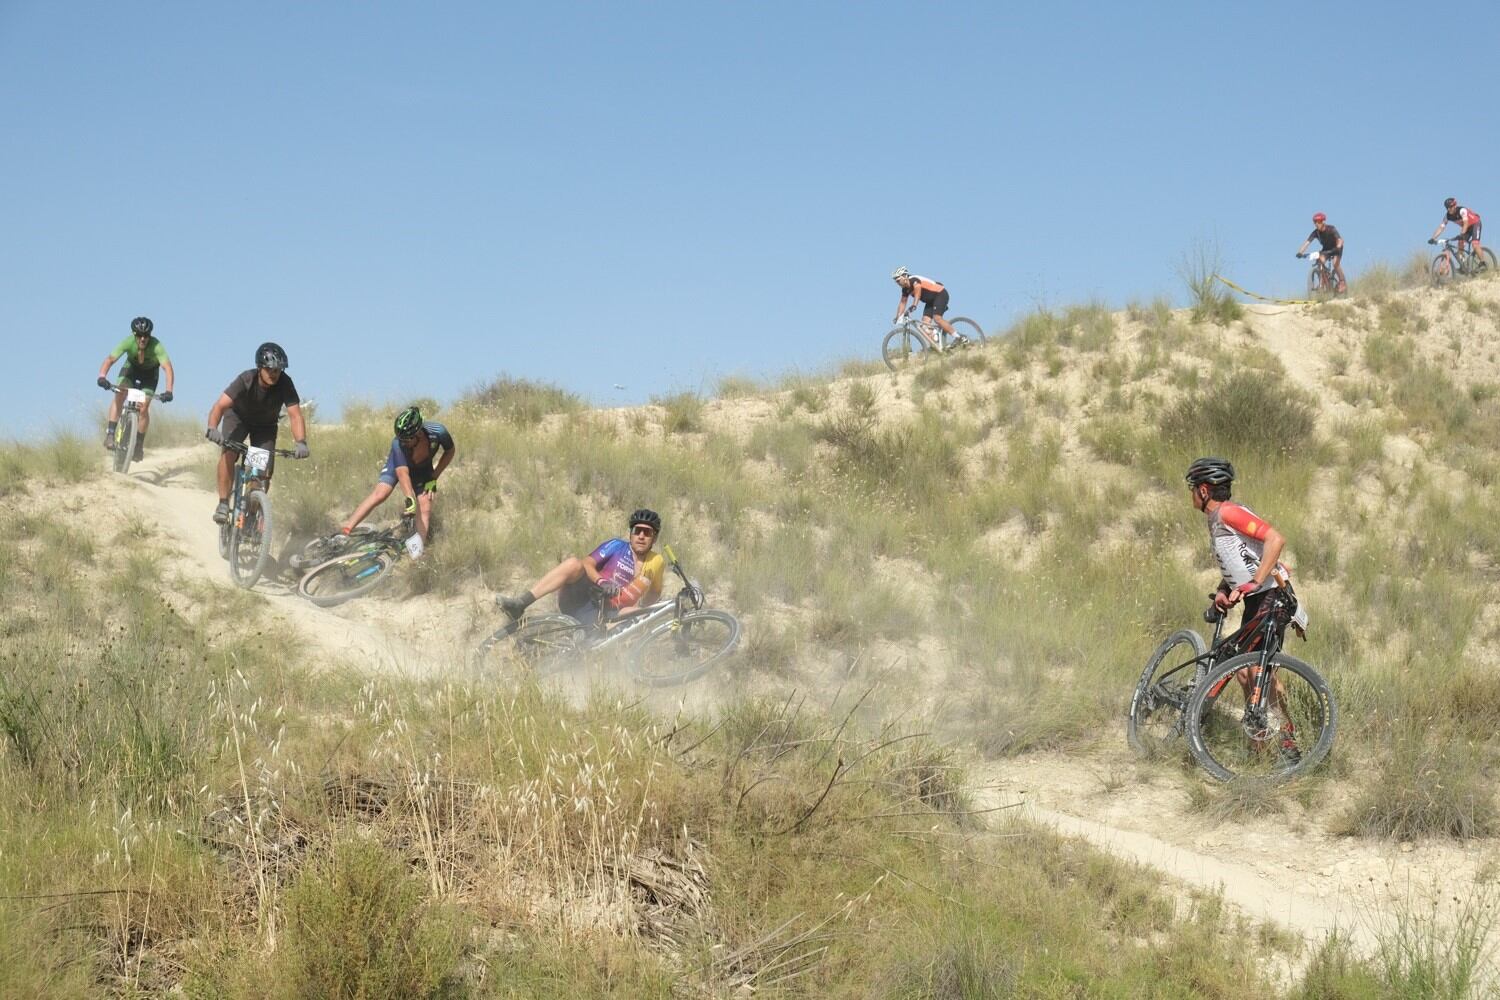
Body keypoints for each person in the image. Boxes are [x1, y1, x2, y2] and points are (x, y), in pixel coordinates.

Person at [1185, 457, 1301, 761]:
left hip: (1271, 596)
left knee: (1261, 675)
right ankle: (1263, 747)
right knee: (1245, 674)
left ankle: (1283, 744)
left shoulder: (1229, 512)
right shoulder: (1217, 519)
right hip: (1258, 599)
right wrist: (1225, 590)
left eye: (1193, 488)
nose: (1191, 494)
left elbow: (1276, 540)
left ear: (1205, 490)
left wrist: (1256, 582)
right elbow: (1242, 559)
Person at [496, 508, 666, 624]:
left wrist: (641, 608)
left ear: (654, 538)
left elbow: (655, 592)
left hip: (606, 614)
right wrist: (602, 582)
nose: (641, 536)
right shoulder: (616, 546)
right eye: (637, 531)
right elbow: (587, 564)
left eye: (648, 532)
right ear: (631, 534)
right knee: (574, 564)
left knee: (636, 613)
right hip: (582, 598)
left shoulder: (656, 561)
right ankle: (521, 603)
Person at [204, 342, 309, 524]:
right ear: (260, 368)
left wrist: (301, 442)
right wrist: (212, 428)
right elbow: (220, 406)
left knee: (261, 472)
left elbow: (295, 415)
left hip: (265, 427)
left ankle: (252, 512)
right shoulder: (246, 379)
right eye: (270, 370)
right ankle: (222, 503)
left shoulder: (285, 383)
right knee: (229, 453)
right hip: (238, 418)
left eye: (278, 370)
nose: (274, 374)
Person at [337, 405, 454, 549]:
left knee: (425, 504)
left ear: (418, 434)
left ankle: (418, 552)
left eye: (406, 440)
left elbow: (450, 451)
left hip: (423, 469)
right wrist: (409, 499)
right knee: (381, 493)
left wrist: (434, 477)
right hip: (398, 465)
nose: (402, 442)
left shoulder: (438, 432)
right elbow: (402, 473)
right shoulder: (398, 443)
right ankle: (345, 531)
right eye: (400, 439)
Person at [96, 316, 175, 461]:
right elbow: (110, 359)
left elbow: (167, 367)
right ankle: (110, 434)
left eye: (146, 336)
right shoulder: (128, 342)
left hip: (150, 376)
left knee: (143, 408)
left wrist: (169, 390)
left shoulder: (157, 346)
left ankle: (138, 445)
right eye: (139, 335)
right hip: (130, 371)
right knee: (120, 394)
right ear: (134, 334)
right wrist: (102, 376)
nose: (143, 339)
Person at [891, 266, 967, 346]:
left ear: (905, 276)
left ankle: (960, 338)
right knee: (924, 325)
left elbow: (918, 292)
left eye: (898, 280)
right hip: (930, 301)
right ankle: (938, 345)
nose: (897, 283)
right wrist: (897, 316)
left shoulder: (914, 280)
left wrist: (914, 305)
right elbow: (902, 303)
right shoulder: (905, 289)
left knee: (937, 318)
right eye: (896, 282)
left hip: (940, 294)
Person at [1296, 212, 1346, 293]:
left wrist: (1339, 246)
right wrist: (1300, 252)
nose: (1316, 224)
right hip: (1326, 250)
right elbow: (1307, 242)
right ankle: (1322, 284)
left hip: (1336, 249)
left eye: (1318, 222)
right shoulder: (1316, 233)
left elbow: (1340, 240)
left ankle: (1342, 282)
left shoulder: (1331, 229)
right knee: (1320, 261)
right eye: (1315, 222)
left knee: (1335, 264)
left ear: (1323, 222)